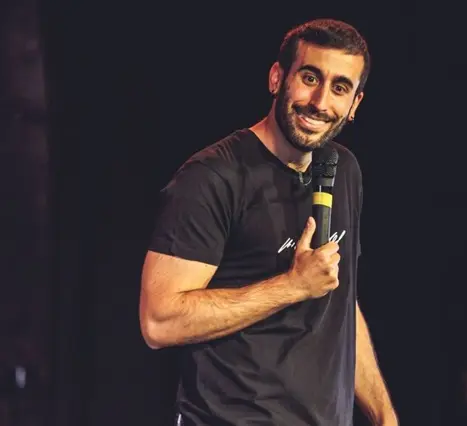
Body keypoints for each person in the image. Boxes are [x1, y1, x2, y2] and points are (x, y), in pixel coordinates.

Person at [138, 18, 397, 426]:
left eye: (339, 88)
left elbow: (340, 305)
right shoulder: (213, 176)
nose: (320, 101)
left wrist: (384, 416)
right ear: (277, 78)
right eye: (310, 78)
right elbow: (158, 321)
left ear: (355, 104)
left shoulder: (343, 170)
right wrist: (292, 286)